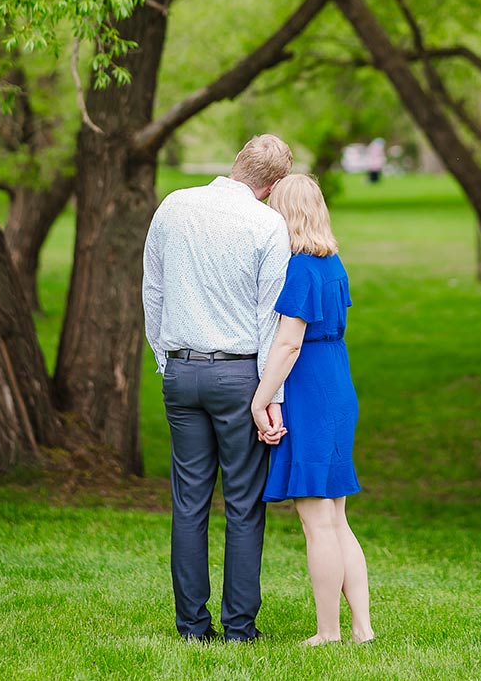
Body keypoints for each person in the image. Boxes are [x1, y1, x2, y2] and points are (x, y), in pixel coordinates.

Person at [142, 134, 293, 644]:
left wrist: (165, 359)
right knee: (244, 504)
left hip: (181, 372)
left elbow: (153, 288)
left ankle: (191, 628)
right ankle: (238, 629)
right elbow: (270, 319)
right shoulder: (269, 224)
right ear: (271, 187)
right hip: (240, 377)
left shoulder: (174, 205)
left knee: (188, 502)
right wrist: (271, 401)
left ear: (236, 165)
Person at [251, 173, 373, 646]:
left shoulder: (300, 268)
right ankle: (361, 628)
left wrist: (261, 398)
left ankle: (329, 631)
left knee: (316, 519)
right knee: (336, 515)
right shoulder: (333, 262)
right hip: (338, 383)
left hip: (310, 391)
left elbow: (288, 343)